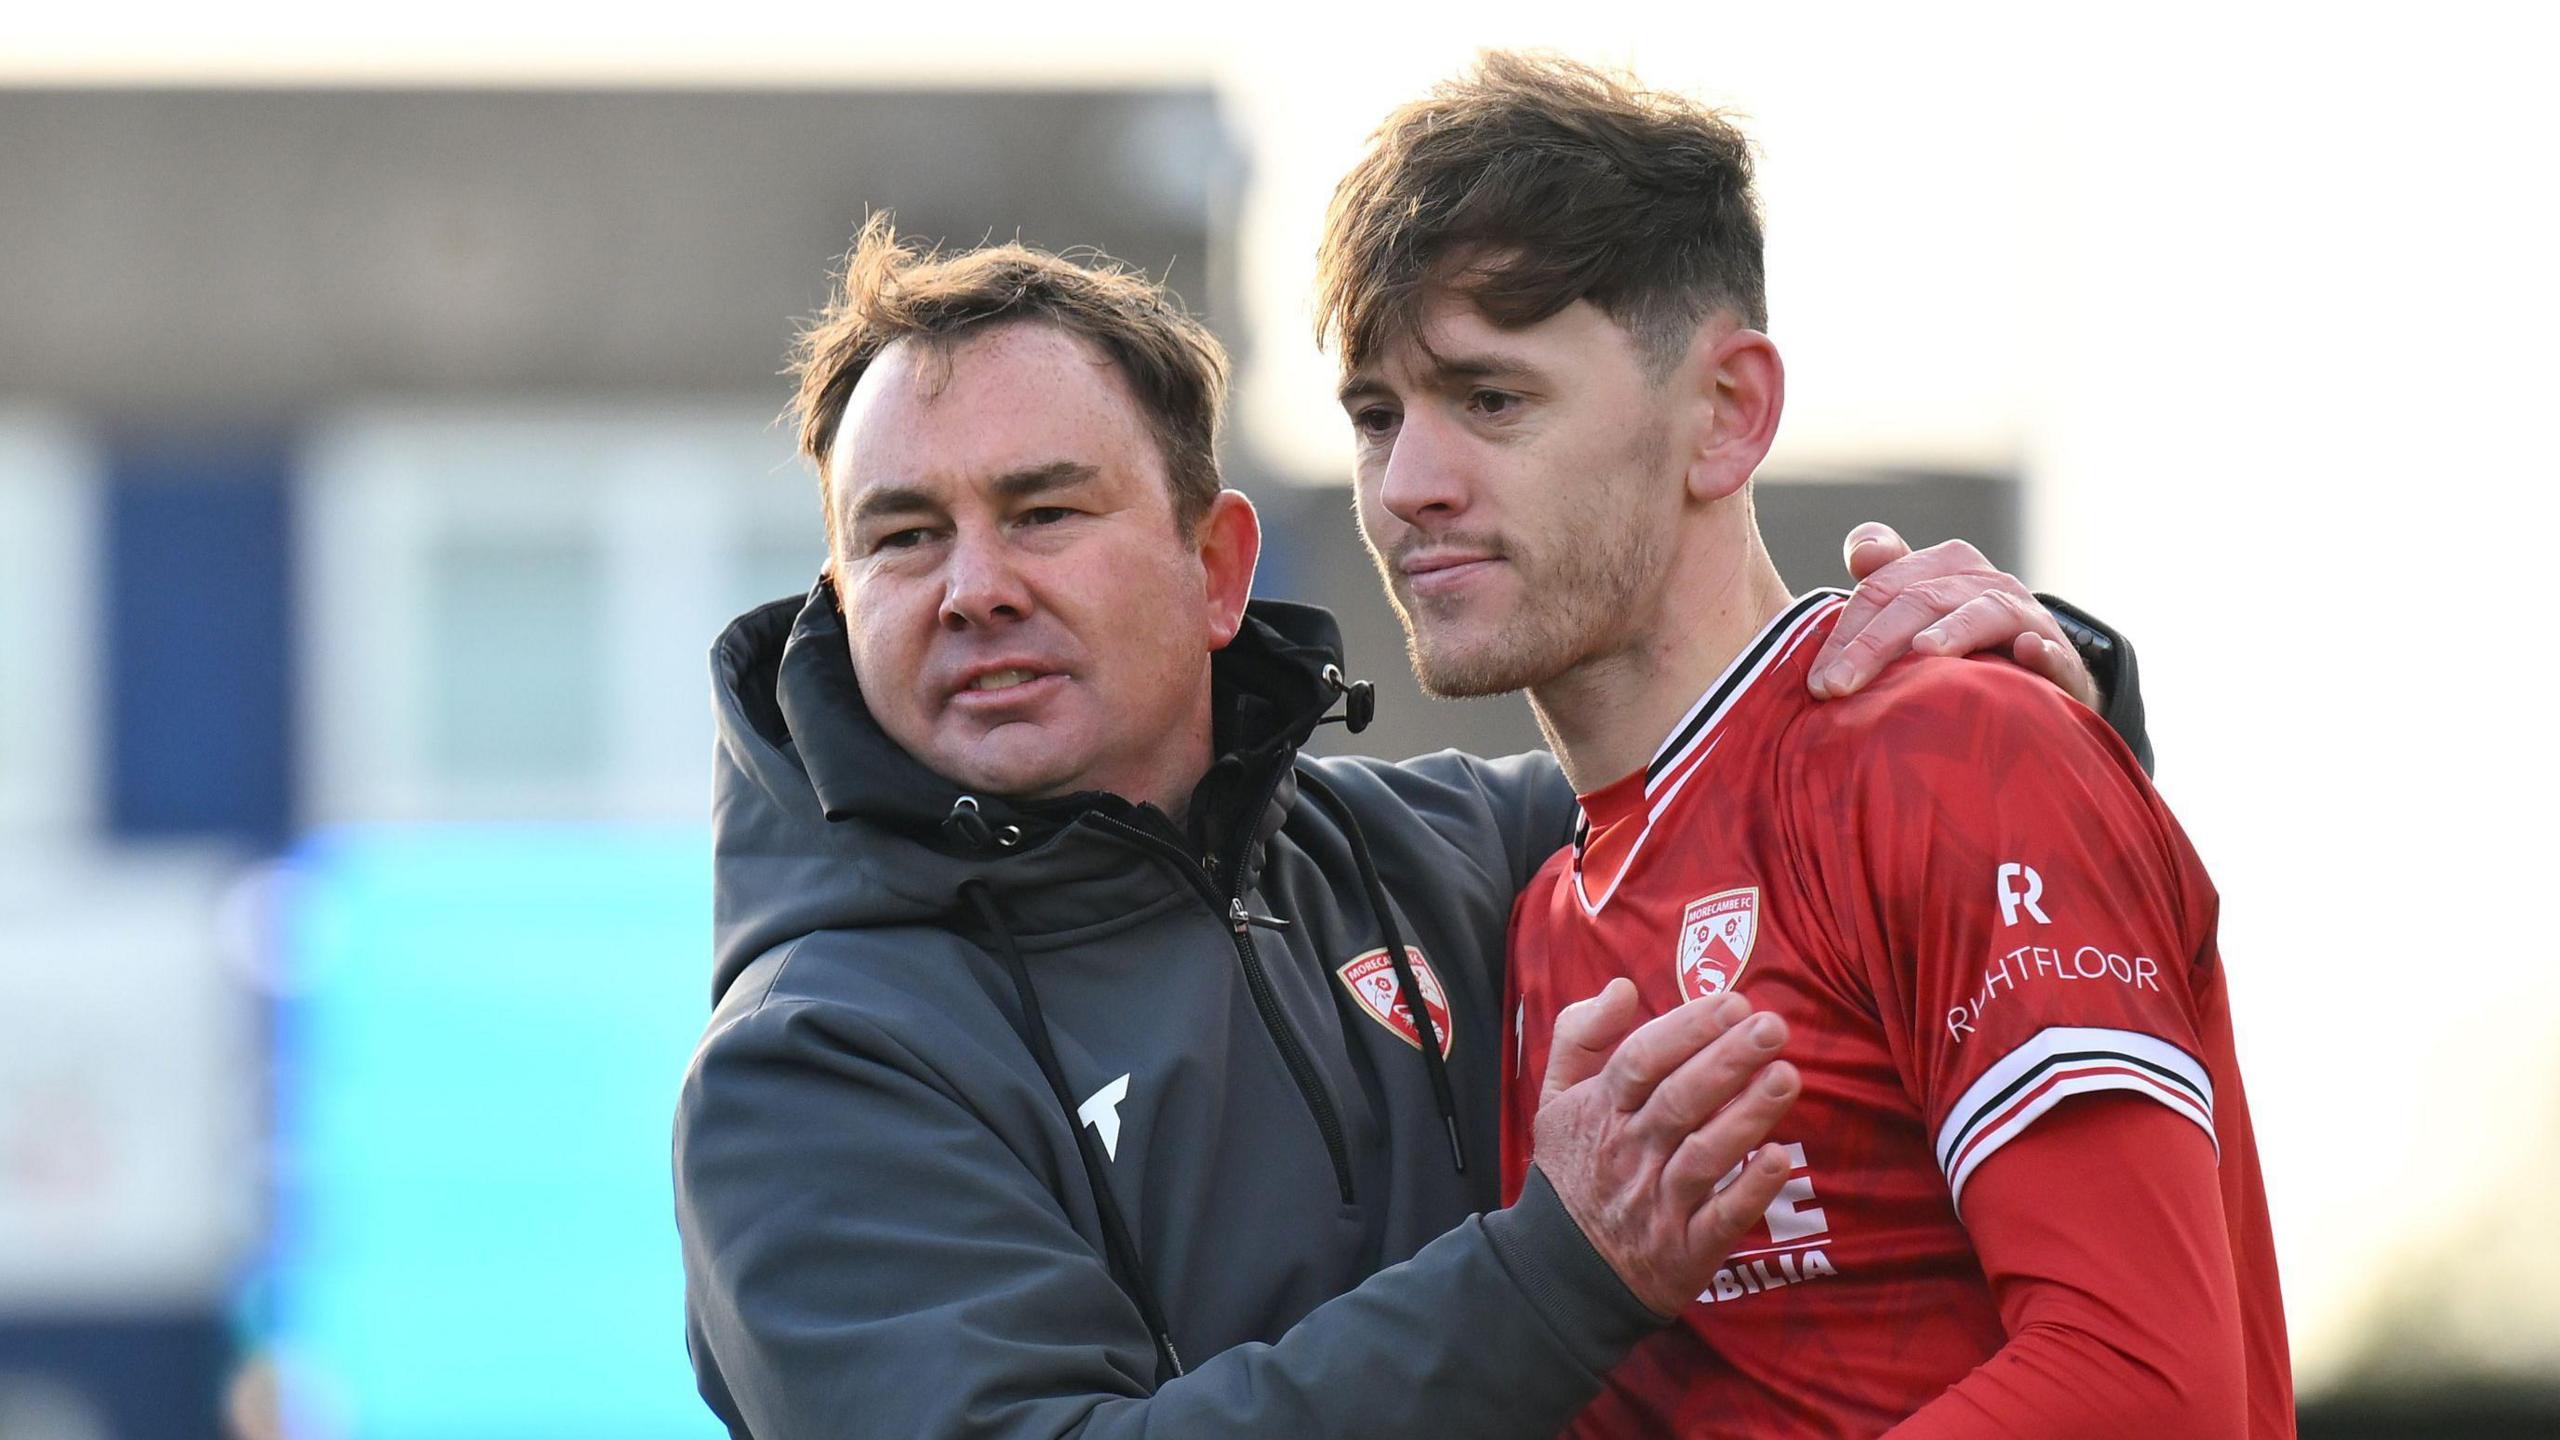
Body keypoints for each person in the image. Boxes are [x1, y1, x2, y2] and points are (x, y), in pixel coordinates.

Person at [671, 218, 2144, 1434]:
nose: (972, 585)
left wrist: (2027, 678)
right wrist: (1557, 1277)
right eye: (902, 535)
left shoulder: (1473, 855)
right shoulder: (811, 1065)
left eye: (1044, 512)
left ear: (1217, 569)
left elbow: (1832, 830)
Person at [1315, 53, 2288, 1438]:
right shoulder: (1540, 910)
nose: (1410, 485)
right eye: (1374, 417)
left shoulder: (1950, 747)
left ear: (1726, 415)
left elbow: (2144, 1385)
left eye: (1492, 400)